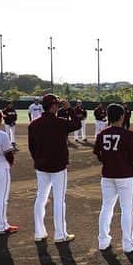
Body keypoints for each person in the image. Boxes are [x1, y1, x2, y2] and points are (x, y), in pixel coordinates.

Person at [95, 103, 133, 252]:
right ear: (122, 116)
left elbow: (97, 152)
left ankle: (103, 241)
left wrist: (107, 162)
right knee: (127, 210)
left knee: (106, 208)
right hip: (125, 176)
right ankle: (128, 244)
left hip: (107, 175)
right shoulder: (128, 135)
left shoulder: (102, 133)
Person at [29, 94, 82, 242]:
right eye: (57, 105)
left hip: (41, 167)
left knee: (41, 198)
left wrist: (38, 161)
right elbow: (77, 124)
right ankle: (60, 234)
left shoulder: (34, 124)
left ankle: (39, 233)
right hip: (58, 167)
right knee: (59, 200)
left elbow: (31, 147)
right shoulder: (60, 122)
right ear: (53, 106)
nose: (58, 107)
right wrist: (69, 109)